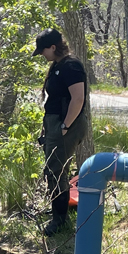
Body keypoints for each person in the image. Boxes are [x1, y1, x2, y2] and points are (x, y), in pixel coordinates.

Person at [34, 27, 88, 236]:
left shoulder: (71, 65)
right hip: (55, 123)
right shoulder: (57, 65)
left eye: (43, 50)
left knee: (56, 171)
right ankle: (58, 211)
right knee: (53, 168)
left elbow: (78, 98)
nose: (42, 55)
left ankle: (60, 220)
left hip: (66, 124)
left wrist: (65, 126)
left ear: (53, 47)